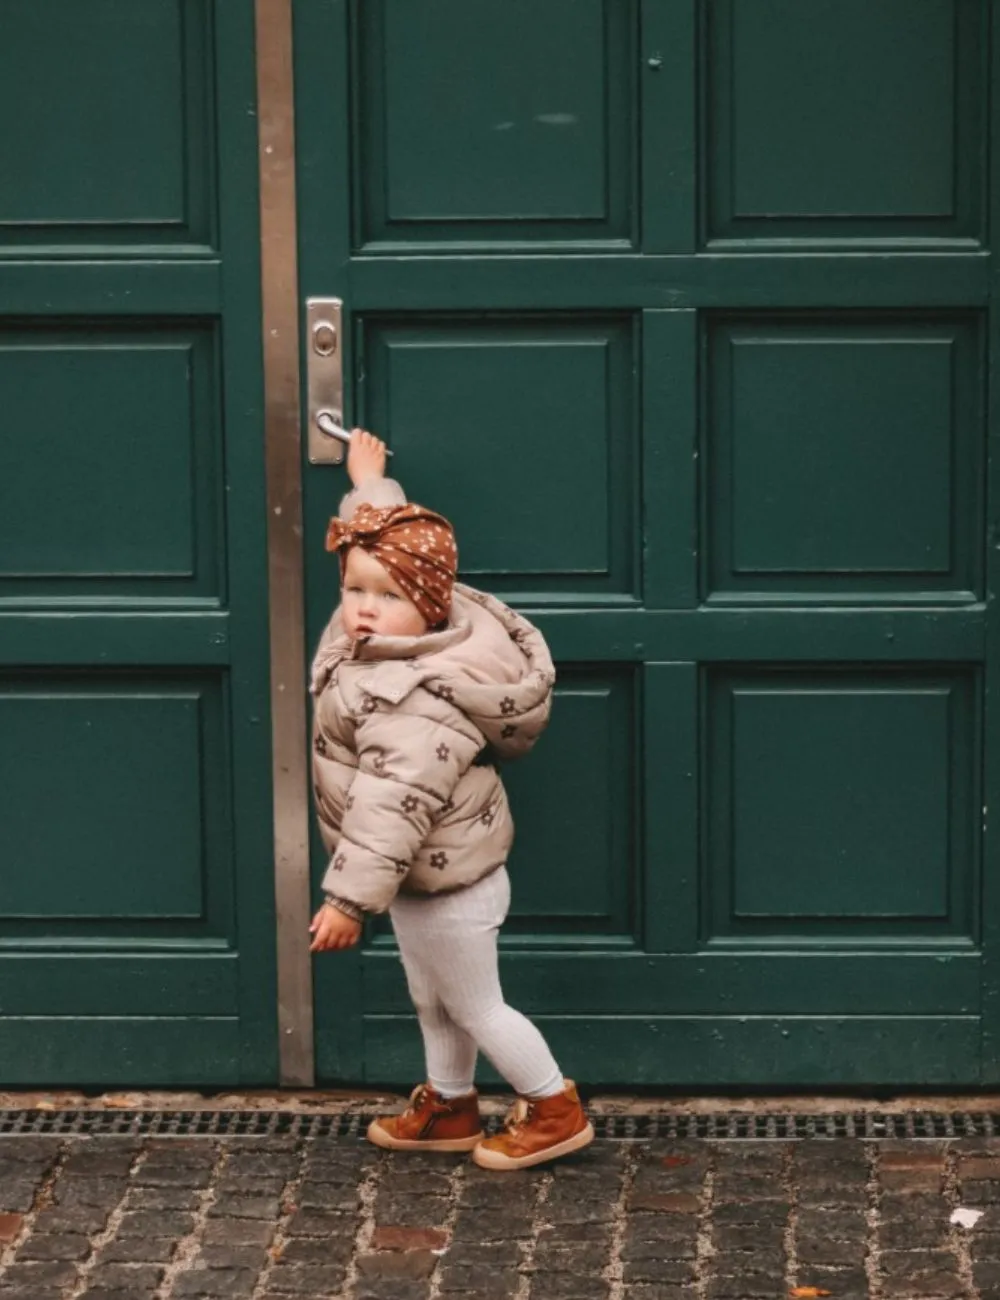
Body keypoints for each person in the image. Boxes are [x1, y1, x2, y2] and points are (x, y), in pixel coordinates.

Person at [307, 429, 594, 1170]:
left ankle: (553, 1107)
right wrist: (367, 479)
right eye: (352, 590)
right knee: (432, 1000)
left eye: (386, 597)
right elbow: (388, 535)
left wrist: (347, 902)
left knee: (474, 1004)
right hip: (421, 877)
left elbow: (390, 805)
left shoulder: (415, 693)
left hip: (445, 881)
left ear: (431, 607)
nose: (362, 610)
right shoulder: (389, 640)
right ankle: (450, 1103)